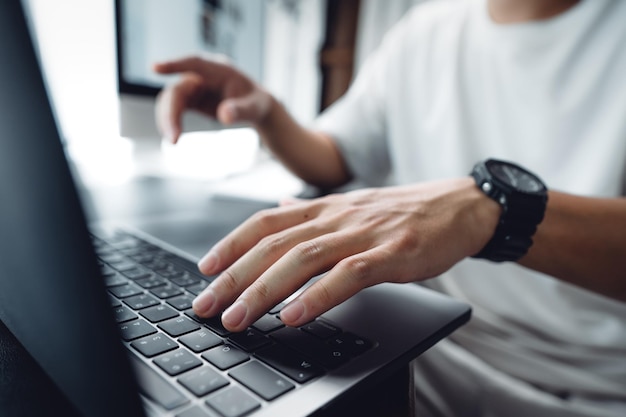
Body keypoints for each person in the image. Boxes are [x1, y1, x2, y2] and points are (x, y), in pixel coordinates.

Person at [153, 0, 626, 415]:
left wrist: (485, 209)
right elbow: (337, 155)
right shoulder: (424, 32)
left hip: (590, 389)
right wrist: (267, 115)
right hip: (437, 345)